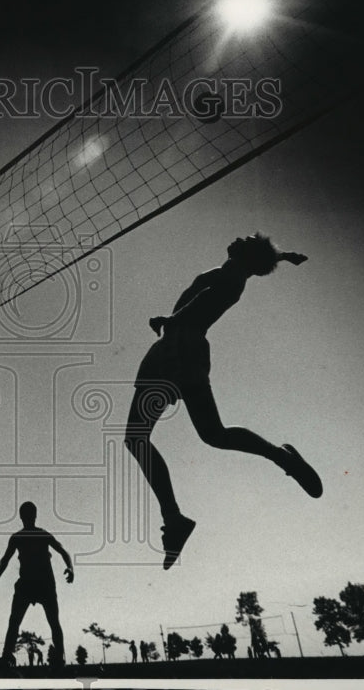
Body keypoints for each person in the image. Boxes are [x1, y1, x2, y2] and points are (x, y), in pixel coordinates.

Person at [124, 233, 322, 569]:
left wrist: (172, 319)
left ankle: (174, 519)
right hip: (190, 351)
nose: (240, 237)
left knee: (136, 437)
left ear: (247, 254)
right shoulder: (239, 272)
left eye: (248, 239)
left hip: (175, 349)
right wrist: (284, 256)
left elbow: (206, 297)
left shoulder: (232, 273)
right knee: (214, 434)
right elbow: (251, 266)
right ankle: (282, 458)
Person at [0, 502, 74, 669]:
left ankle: (57, 658)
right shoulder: (22, 537)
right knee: (23, 621)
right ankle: (8, 656)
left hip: (42, 584)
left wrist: (70, 567)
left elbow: (62, 551)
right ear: (32, 516)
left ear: (23, 517)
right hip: (32, 584)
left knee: (45, 621)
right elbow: (5, 560)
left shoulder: (35, 535)